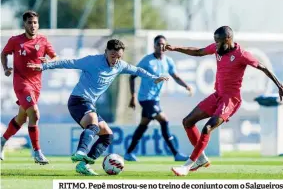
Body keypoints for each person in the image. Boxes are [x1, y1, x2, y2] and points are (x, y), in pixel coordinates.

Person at [27, 39, 168, 175]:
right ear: (106, 52)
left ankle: (84, 165)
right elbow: (69, 62)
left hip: (89, 104)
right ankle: (80, 152)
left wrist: (153, 77)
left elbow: (137, 70)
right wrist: (44, 66)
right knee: (93, 123)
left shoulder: (120, 65)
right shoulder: (92, 61)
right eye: (113, 56)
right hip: (78, 100)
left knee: (107, 136)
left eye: (119, 56)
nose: (115, 60)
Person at [165, 26, 283, 176]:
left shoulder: (241, 54)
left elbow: (263, 67)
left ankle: (187, 166)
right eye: (215, 41)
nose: (216, 45)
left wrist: (279, 85)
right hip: (217, 95)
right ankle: (201, 159)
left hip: (230, 100)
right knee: (187, 122)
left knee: (207, 128)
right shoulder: (217, 48)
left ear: (228, 39)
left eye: (219, 42)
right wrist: (175, 48)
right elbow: (198, 51)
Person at [1, 10, 58, 164]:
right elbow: (4, 53)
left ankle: (1, 141)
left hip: (36, 85)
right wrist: (6, 68)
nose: (33, 25)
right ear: (24, 24)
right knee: (35, 113)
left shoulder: (43, 41)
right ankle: (37, 152)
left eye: (35, 23)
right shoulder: (15, 40)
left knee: (22, 118)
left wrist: (47, 63)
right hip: (21, 83)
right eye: (29, 22)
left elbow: (55, 57)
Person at [124, 35, 192, 162]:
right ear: (154, 46)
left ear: (166, 46)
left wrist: (186, 86)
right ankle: (176, 154)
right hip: (145, 98)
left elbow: (175, 76)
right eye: (158, 44)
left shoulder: (168, 61)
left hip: (155, 99)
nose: (161, 46)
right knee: (164, 121)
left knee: (143, 125)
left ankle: (128, 153)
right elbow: (132, 76)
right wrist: (132, 96)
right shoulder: (147, 61)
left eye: (163, 44)